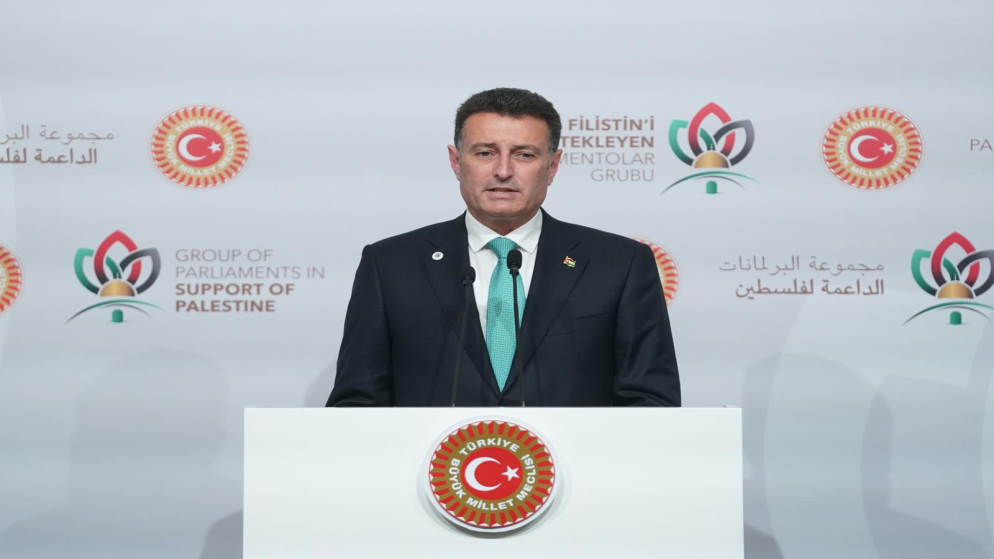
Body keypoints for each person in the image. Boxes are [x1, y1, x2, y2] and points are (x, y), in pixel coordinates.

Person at [327, 87, 680, 407]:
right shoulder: (390, 265)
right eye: (485, 153)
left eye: (524, 155)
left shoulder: (620, 264)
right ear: (456, 162)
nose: (503, 171)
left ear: (552, 166)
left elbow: (651, 402)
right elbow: (356, 403)